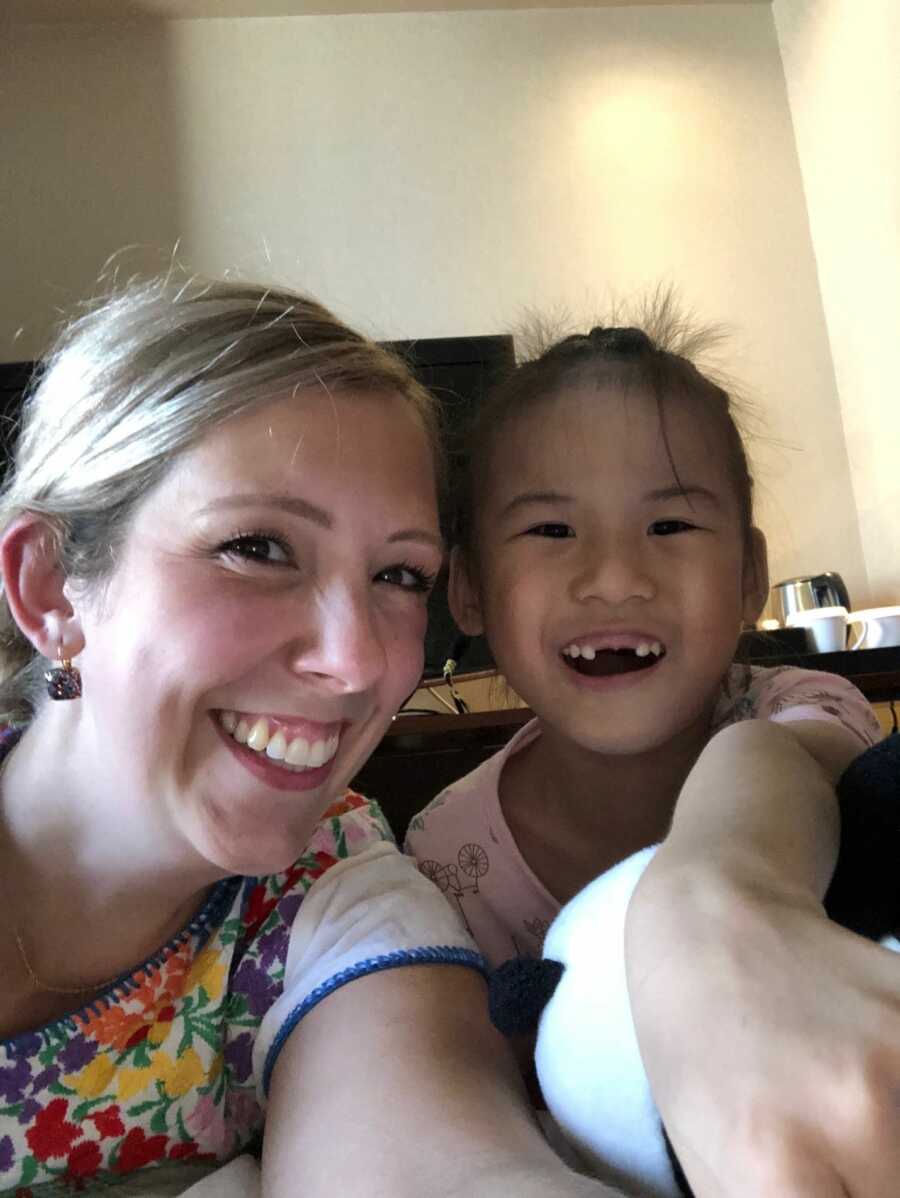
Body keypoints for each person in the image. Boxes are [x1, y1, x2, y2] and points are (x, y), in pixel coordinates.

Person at [0, 277, 631, 1198]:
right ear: (51, 590)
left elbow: (444, 1160)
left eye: (400, 575)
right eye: (258, 547)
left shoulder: (336, 896)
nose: (356, 660)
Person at [405, 308, 900, 1193]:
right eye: (552, 531)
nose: (616, 578)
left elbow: (787, 761)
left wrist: (720, 884)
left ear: (750, 577)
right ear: (471, 589)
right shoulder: (450, 858)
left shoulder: (789, 704)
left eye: (669, 527)